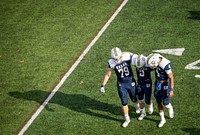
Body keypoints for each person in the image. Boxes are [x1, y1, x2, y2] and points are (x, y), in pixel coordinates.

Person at [100, 47, 145, 127]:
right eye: (115, 59)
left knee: (135, 99)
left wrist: (125, 53)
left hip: (130, 82)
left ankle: (140, 108)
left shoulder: (126, 56)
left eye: (118, 57)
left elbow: (133, 55)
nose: (117, 60)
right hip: (121, 84)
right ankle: (127, 119)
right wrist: (103, 85)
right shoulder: (111, 62)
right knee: (124, 102)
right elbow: (108, 74)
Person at [146, 53, 174, 128]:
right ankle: (162, 119)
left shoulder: (165, 64)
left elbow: (171, 77)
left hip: (165, 84)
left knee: (165, 102)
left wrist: (171, 89)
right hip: (157, 83)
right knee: (158, 101)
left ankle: (169, 107)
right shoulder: (154, 57)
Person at [134, 54, 154, 120]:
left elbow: (154, 66)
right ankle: (143, 113)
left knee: (147, 99)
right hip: (140, 83)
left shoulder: (148, 65)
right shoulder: (136, 63)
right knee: (140, 99)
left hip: (147, 83)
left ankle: (150, 104)